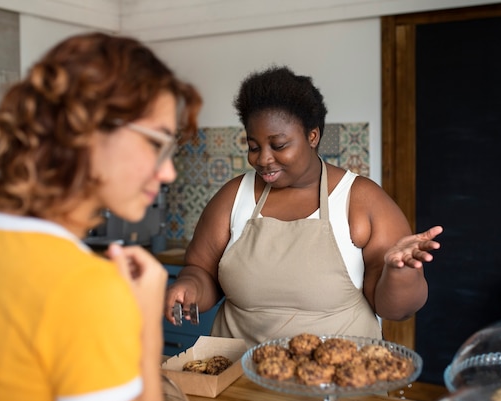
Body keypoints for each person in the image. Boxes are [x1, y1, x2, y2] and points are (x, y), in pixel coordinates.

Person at [0, 32, 201, 401]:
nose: (167, 172)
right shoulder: (89, 291)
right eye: (157, 144)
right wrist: (145, 331)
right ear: (86, 129)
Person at [165, 65, 442, 347]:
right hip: (237, 378)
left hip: (336, 379)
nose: (263, 159)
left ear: (312, 136)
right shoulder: (233, 197)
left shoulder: (361, 200)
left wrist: (400, 273)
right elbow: (200, 270)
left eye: (279, 145)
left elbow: (398, 310)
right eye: (254, 146)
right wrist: (190, 287)